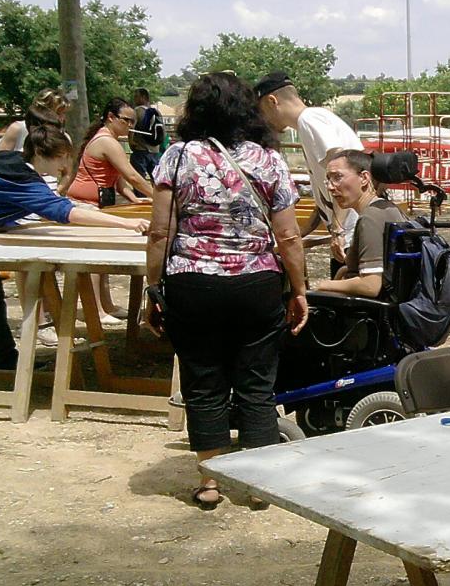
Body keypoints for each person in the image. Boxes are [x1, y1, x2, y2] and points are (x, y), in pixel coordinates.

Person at [145, 72, 309, 510]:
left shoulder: (178, 157)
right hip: (256, 283)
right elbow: (289, 237)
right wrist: (299, 290)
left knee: (203, 382)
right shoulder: (268, 160)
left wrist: (154, 288)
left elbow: (161, 232)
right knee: (257, 384)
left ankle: (211, 482)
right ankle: (257, 487)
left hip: (192, 283)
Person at [0, 126, 148, 367]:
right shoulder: (21, 179)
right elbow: (62, 212)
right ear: (41, 154)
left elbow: (51, 203)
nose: (64, 165)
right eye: (61, 157)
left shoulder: (15, 164)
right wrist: (126, 223)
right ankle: (3, 356)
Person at [254, 72, 362, 279]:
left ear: (271, 101)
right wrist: (303, 232)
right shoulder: (314, 120)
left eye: (261, 111)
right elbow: (326, 194)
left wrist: (338, 230)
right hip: (349, 231)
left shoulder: (309, 120)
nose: (263, 119)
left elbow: (341, 176)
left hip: (352, 234)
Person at [67, 98, 154, 324]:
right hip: (85, 205)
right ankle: (95, 310)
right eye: (126, 120)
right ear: (111, 117)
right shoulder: (106, 141)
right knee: (94, 259)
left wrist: (136, 200)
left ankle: (106, 304)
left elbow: (118, 180)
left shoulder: (111, 141)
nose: (130, 125)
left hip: (98, 205)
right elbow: (132, 176)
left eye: (132, 121)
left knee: (101, 261)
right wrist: (158, 197)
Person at [311, 149, 404, 297]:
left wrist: (323, 285)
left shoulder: (370, 218)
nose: (330, 186)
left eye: (337, 177)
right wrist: (343, 271)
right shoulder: (387, 208)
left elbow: (370, 285)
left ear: (364, 178)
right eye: (328, 179)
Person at [128, 87, 164, 183]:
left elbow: (131, 128)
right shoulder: (157, 112)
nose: (134, 99)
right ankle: (157, 197)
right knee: (157, 180)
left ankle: (141, 197)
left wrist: (131, 142)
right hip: (155, 150)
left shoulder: (136, 111)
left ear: (143, 97)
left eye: (136, 96)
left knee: (139, 179)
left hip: (140, 149)